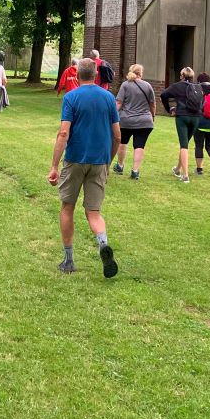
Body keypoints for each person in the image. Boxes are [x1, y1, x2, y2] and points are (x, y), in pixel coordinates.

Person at [47, 58, 121, 277]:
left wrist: (54, 165)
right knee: (94, 212)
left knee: (67, 207)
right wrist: (108, 161)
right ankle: (103, 244)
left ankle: (69, 260)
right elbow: (117, 135)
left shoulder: (71, 97)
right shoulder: (109, 98)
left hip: (76, 159)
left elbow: (63, 132)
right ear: (96, 73)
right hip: (99, 161)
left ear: (76, 74)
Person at [113, 63, 156, 180]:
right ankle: (135, 171)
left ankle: (120, 166)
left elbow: (119, 103)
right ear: (140, 73)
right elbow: (152, 104)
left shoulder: (125, 85)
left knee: (122, 142)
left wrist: (112, 115)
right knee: (139, 145)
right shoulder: (147, 86)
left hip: (126, 120)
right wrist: (153, 116)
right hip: (144, 121)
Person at [160, 66, 203, 182]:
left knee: (184, 145)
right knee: (185, 143)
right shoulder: (197, 87)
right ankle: (177, 169)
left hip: (182, 117)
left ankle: (185, 175)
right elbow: (202, 102)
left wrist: (169, 109)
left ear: (182, 76)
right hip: (196, 117)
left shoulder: (177, 86)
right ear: (192, 76)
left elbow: (163, 95)